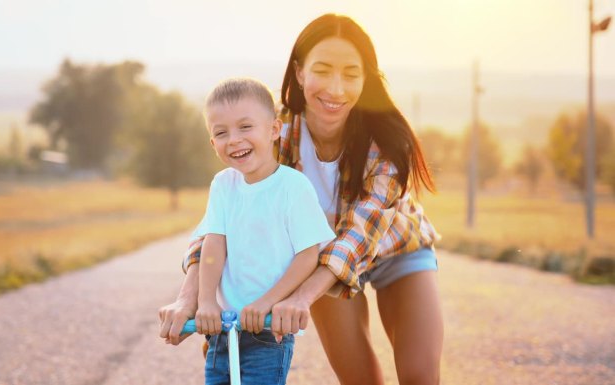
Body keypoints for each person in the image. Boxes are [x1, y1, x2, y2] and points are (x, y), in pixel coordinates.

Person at [159, 14, 443, 385]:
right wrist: (190, 298)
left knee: (421, 376)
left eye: (351, 74)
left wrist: (300, 297)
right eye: (322, 70)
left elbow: (359, 238)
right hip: (320, 258)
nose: (336, 89)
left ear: (366, 79)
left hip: (396, 250)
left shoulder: (388, 145)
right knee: (360, 379)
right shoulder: (271, 129)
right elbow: (223, 221)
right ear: (299, 73)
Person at [185, 77, 335, 385]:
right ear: (213, 144)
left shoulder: (293, 187)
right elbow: (213, 246)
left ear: (274, 130)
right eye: (221, 133)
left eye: (245, 127)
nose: (234, 140)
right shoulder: (223, 185)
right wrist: (206, 301)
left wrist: (268, 301)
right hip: (222, 331)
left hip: (268, 332)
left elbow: (308, 256)